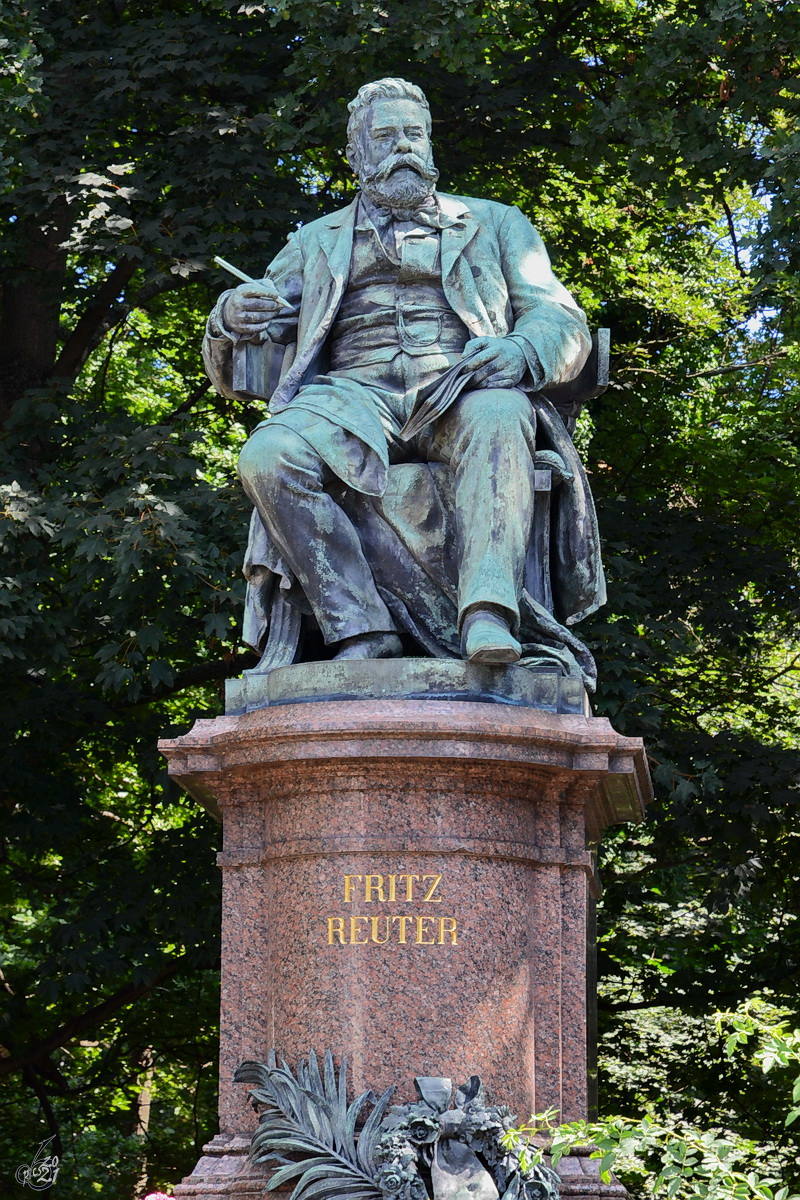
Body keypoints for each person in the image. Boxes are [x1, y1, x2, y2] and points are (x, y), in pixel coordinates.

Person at [203, 77, 605, 675]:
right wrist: (230, 317)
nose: (403, 149)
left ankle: (487, 614)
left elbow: (558, 314)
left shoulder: (495, 224)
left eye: (414, 134)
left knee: (503, 411)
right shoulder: (317, 240)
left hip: (459, 388)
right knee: (269, 454)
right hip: (349, 399)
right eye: (386, 136)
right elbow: (249, 329)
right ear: (357, 154)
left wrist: (523, 349)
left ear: (432, 144)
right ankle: (359, 624)